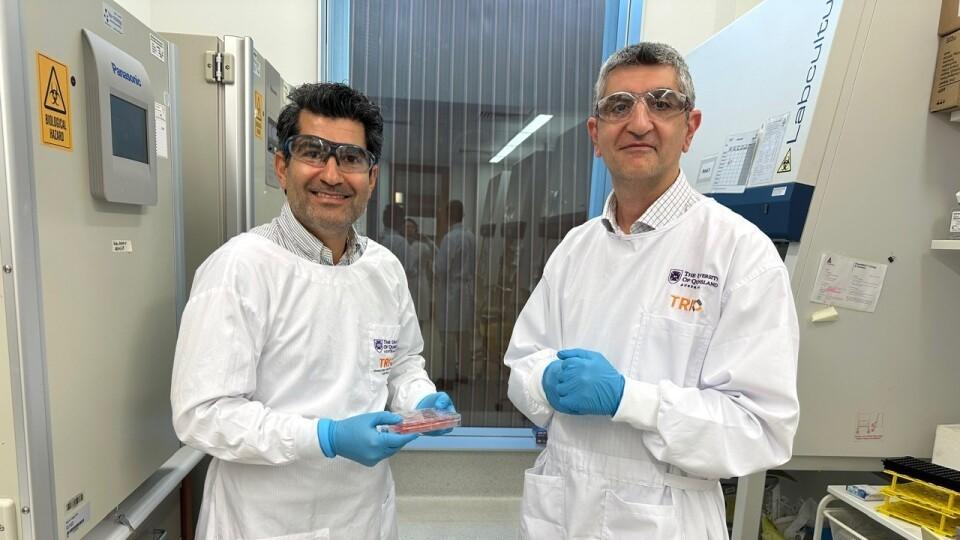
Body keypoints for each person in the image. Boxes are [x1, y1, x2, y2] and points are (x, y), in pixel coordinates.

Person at [504, 42, 799, 539]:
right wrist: (542, 381)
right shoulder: (575, 248)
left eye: (662, 103)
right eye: (619, 106)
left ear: (690, 127)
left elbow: (761, 430)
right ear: (596, 135)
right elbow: (522, 363)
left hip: (666, 518)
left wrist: (631, 400)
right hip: (560, 507)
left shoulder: (739, 253)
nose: (639, 123)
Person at [171, 82, 456, 540]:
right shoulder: (239, 268)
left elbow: (403, 363)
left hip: (366, 514)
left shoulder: (384, 268)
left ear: (372, 177)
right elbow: (202, 415)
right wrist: (325, 437)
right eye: (313, 152)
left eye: (351, 158)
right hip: (267, 521)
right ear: (282, 166)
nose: (332, 174)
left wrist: (420, 401)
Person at [434, 199, 477, 385]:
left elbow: (441, 268)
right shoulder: (471, 236)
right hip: (466, 289)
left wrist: (433, 265)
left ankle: (449, 376)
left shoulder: (449, 238)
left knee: (449, 335)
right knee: (464, 335)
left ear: (448, 216)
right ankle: (464, 373)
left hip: (450, 290)